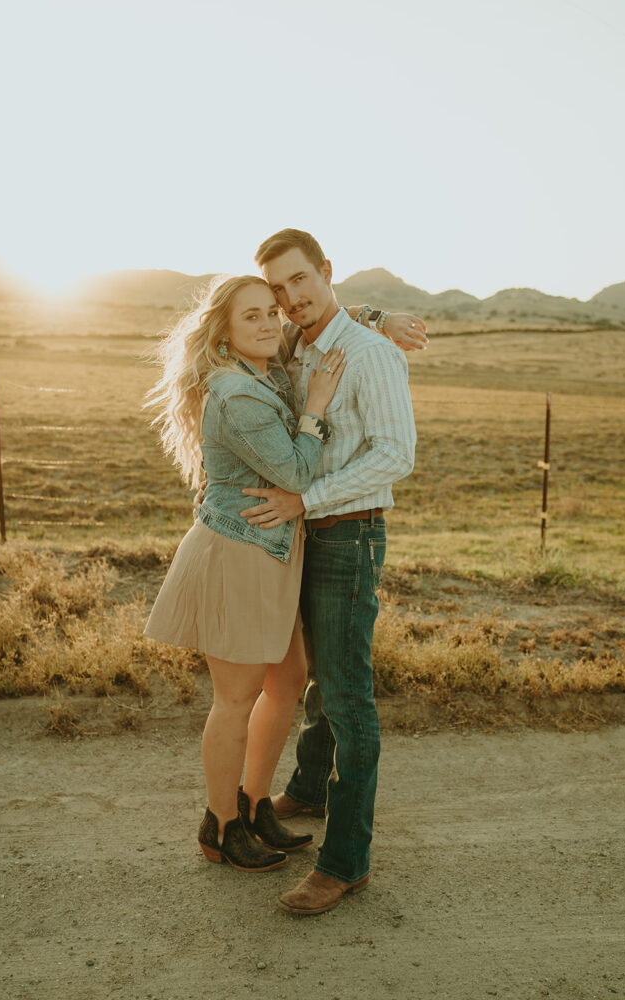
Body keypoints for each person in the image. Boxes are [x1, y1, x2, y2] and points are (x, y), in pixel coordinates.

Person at [239, 229, 417, 914]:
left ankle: (345, 861)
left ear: (325, 271)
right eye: (278, 290)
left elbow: (393, 455)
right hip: (302, 537)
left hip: (349, 536)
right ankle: (310, 788)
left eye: (299, 281)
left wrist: (304, 499)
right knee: (316, 672)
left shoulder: (373, 356)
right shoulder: (292, 348)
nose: (290, 299)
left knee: (346, 696)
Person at [144, 273, 346, 871]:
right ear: (225, 335)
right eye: (252, 317)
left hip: (272, 552)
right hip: (238, 553)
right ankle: (220, 825)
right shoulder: (236, 394)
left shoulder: (263, 368)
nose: (269, 325)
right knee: (235, 697)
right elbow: (295, 475)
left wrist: (378, 318)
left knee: (287, 681)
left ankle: (256, 805)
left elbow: (325, 313)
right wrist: (314, 407)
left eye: (271, 314)